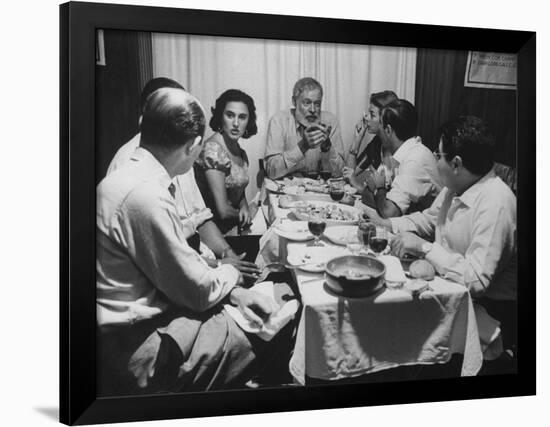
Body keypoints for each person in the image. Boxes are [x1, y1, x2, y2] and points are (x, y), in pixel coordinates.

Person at [97, 88, 295, 395]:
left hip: (148, 316)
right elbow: (197, 290)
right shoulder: (145, 195)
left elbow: (179, 270)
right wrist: (231, 275)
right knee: (281, 315)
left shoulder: (135, 173)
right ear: (193, 146)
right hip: (137, 348)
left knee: (253, 301)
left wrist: (233, 294)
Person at [364, 115, 517, 351]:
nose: (434, 160)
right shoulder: (456, 187)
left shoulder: (497, 202)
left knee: (387, 328)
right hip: (450, 290)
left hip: (487, 312)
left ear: (456, 164)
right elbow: (428, 219)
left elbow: (477, 280)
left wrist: (424, 248)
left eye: (438, 155)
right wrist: (387, 226)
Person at [107, 77, 261, 281]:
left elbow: (200, 217)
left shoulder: (179, 151)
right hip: (164, 274)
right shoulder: (127, 164)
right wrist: (219, 266)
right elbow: (159, 260)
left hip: (198, 253)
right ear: (148, 115)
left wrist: (229, 255)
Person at [361, 98, 441, 217]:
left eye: (381, 126)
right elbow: (366, 195)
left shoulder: (414, 160)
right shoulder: (402, 153)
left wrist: (379, 188)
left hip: (427, 232)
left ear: (388, 130)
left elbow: (389, 212)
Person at [194, 89, 258, 234]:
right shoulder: (213, 150)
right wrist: (249, 214)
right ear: (220, 117)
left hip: (234, 225)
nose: (236, 123)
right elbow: (222, 211)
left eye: (242, 117)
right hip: (213, 231)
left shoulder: (239, 151)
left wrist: (245, 207)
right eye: (230, 115)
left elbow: (237, 188)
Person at [264, 77, 345, 179]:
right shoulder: (279, 121)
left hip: (319, 190)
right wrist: (302, 147)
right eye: (306, 103)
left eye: (317, 104)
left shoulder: (330, 121)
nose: (312, 110)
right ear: (294, 102)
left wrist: (328, 148)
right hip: (286, 191)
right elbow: (272, 171)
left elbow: (340, 173)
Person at [343, 90, 398, 192]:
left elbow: (388, 201)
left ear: (385, 119)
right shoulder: (377, 143)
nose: (366, 117)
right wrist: (357, 139)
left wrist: (356, 184)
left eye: (372, 114)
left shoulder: (399, 148)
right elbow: (349, 174)